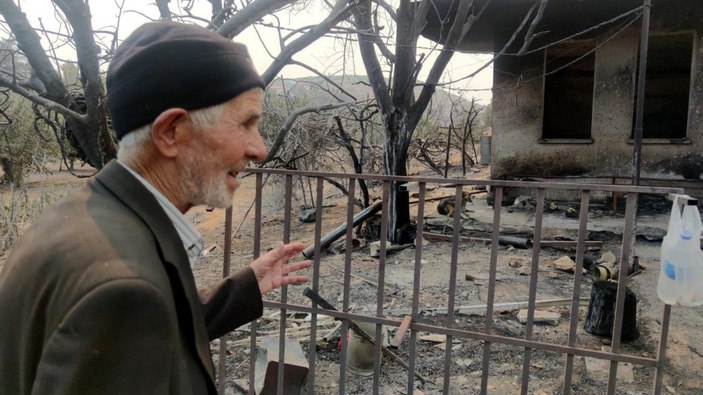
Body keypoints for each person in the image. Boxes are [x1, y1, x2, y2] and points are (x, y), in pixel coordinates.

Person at [0, 21, 311, 394]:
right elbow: (128, 310)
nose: (259, 149)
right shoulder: (124, 290)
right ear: (170, 133)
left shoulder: (83, 217)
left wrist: (243, 289)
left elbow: (143, 332)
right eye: (245, 123)